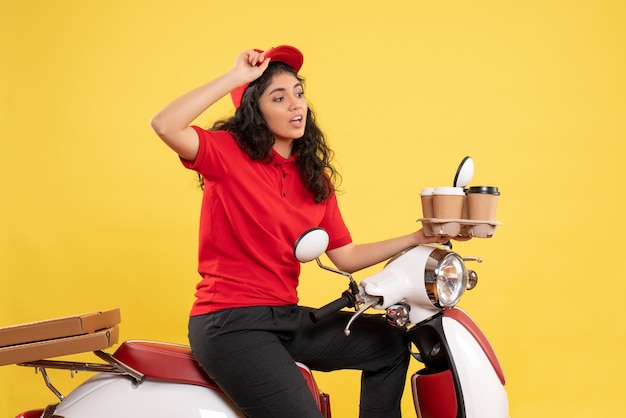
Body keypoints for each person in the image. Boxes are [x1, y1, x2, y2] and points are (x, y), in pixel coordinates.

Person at [150, 45, 460, 418]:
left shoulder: (314, 179)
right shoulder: (227, 155)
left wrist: (416, 238)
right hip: (230, 323)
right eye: (278, 98)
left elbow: (346, 256)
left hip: (284, 316)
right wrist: (236, 78)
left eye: (298, 93)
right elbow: (164, 124)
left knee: (389, 344)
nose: (296, 105)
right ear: (255, 111)